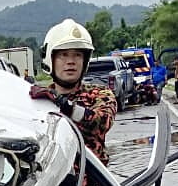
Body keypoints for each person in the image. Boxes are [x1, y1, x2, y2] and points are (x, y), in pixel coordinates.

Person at [28, 19, 117, 164]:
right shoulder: (38, 99)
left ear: (85, 60)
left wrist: (63, 104)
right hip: (47, 182)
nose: (71, 61)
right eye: (64, 55)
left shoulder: (100, 94)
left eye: (77, 55)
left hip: (90, 183)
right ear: (51, 59)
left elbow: (101, 122)